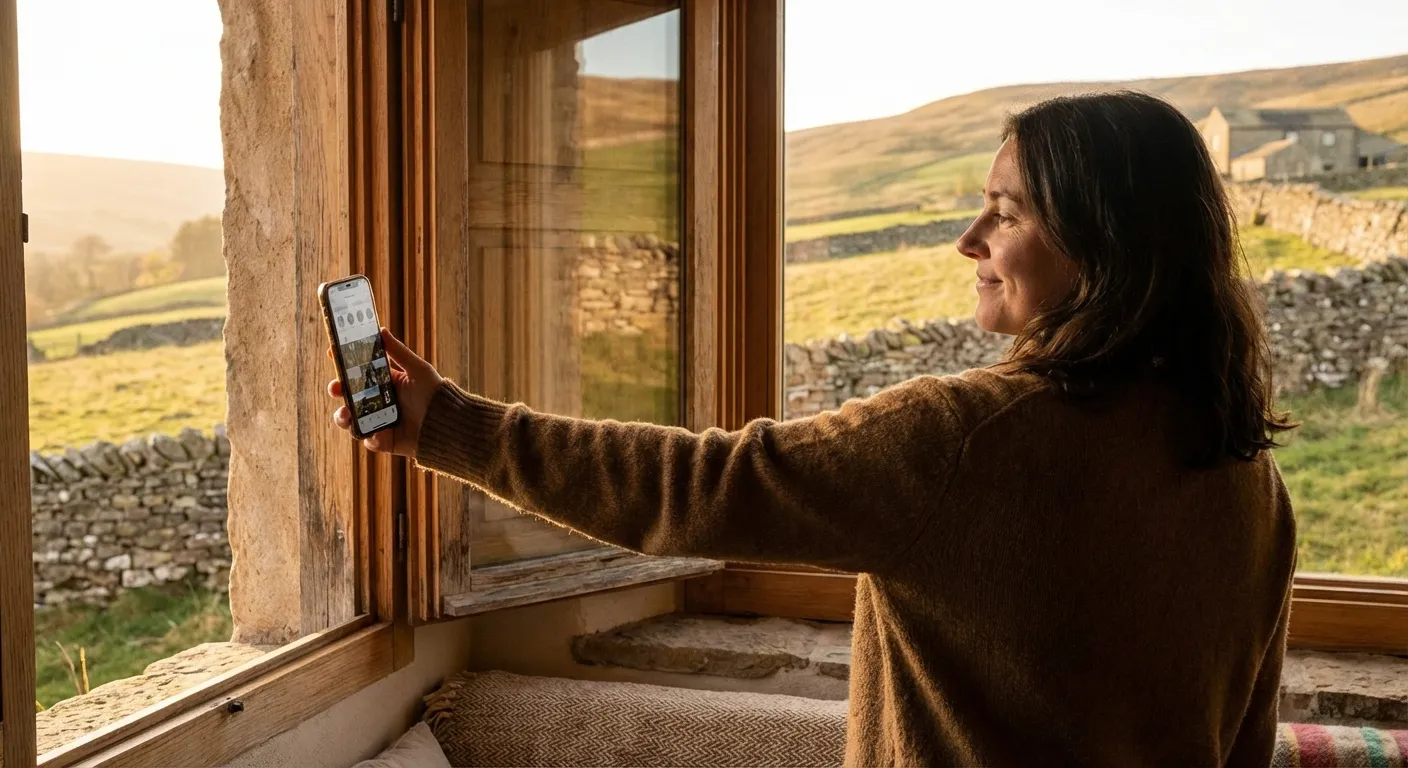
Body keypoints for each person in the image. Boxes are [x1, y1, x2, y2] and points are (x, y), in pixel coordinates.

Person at [328, 91, 1296, 766]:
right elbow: (1246, 725)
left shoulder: (967, 440)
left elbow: (696, 487)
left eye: (1005, 212)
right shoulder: (1234, 457)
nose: (968, 240)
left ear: (1105, 239)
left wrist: (450, 426)